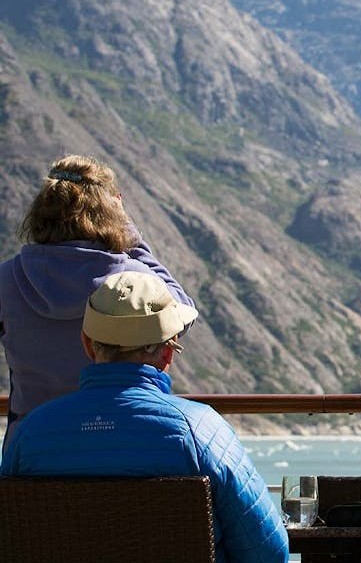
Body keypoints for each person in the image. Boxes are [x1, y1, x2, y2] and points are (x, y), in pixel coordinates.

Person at [0, 271, 287, 563]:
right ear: (168, 353)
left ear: (87, 345)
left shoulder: (31, 433)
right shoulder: (201, 431)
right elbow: (270, 552)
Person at [0, 154, 195, 445]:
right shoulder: (134, 279)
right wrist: (131, 238)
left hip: (31, 449)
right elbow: (183, 314)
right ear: (112, 209)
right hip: (118, 444)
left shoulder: (7, 278)